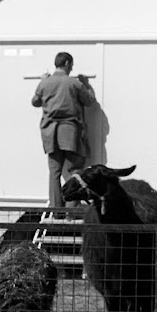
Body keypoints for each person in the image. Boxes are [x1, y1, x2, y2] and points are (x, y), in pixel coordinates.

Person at [31, 52, 96, 219]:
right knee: (75, 169)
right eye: (71, 64)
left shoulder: (45, 83)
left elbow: (35, 102)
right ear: (67, 63)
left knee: (54, 172)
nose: (72, 67)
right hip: (70, 131)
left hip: (50, 132)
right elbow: (89, 101)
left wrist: (42, 81)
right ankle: (71, 212)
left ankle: (56, 211)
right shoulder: (74, 83)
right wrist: (86, 84)